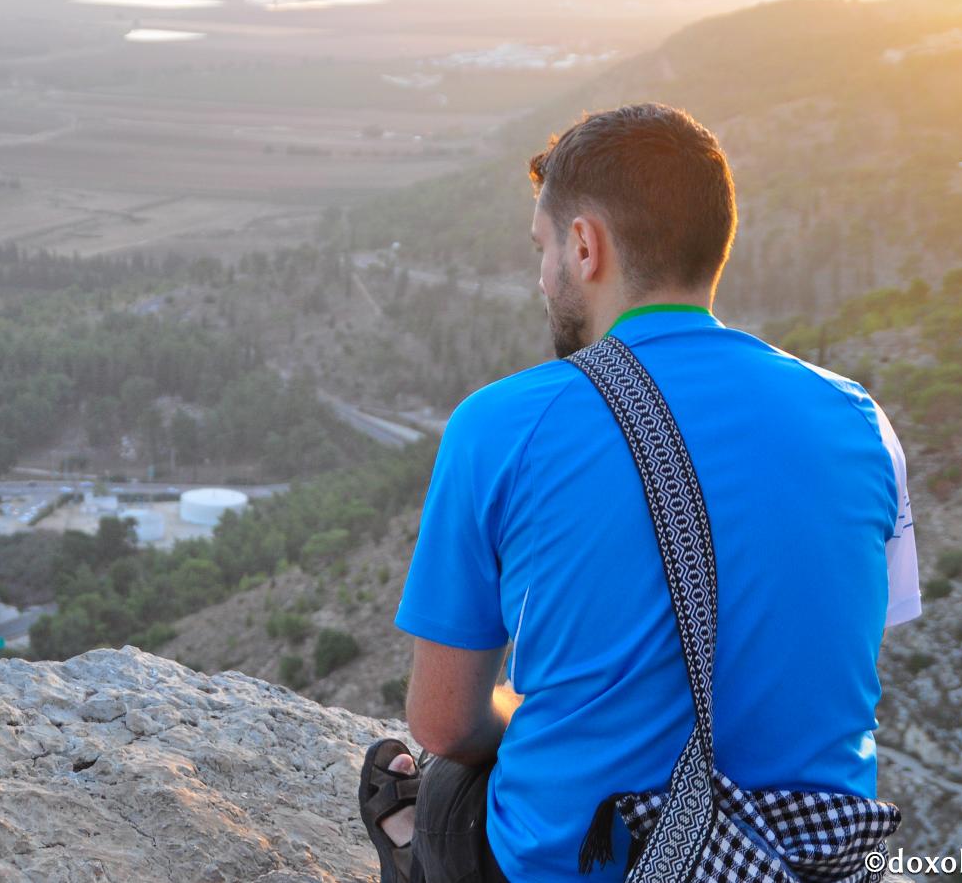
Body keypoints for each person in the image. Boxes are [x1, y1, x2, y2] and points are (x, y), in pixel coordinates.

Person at [357, 103, 921, 883]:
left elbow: (444, 720)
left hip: (595, 863)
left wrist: (543, 712)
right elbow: (825, 654)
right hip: (810, 860)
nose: (541, 276)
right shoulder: (863, 422)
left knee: (450, 777)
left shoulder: (501, 424)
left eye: (542, 248)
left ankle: (408, 834)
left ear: (585, 246)